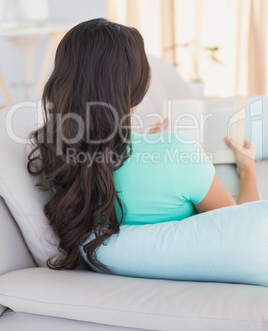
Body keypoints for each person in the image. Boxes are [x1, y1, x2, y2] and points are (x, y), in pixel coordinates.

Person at [27, 18, 260, 272]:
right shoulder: (177, 152)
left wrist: (148, 142)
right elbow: (245, 230)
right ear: (135, 87)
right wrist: (248, 170)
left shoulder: (55, 157)